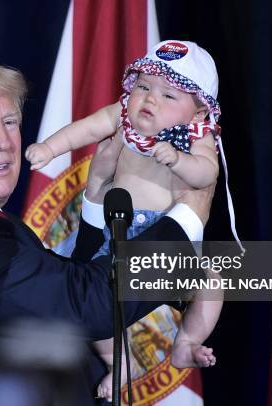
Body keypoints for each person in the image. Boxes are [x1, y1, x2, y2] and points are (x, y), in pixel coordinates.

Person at [0, 57, 217, 405]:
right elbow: (91, 307)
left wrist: (94, 197)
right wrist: (190, 215)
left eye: (9, 121)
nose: (3, 141)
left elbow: (67, 290)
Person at [26, 40, 225, 400]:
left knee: (212, 280)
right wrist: (50, 148)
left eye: (169, 95)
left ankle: (188, 341)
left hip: (162, 233)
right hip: (114, 227)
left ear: (198, 113)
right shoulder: (123, 116)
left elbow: (206, 174)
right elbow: (85, 129)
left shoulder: (198, 137)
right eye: (144, 87)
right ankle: (118, 360)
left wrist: (179, 161)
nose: (150, 99)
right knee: (85, 291)